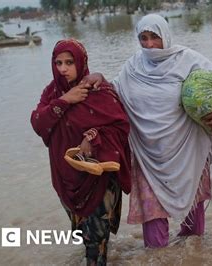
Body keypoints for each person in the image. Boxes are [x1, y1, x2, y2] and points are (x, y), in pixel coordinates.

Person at [86, 14, 212, 248]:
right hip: (148, 156)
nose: (149, 44)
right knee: (155, 236)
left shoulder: (186, 59)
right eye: (143, 38)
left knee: (193, 233)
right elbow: (113, 92)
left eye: (154, 37)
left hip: (187, 151)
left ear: (165, 35)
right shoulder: (133, 66)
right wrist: (99, 79)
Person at [30, 39, 131, 265]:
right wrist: (66, 100)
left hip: (98, 179)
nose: (63, 68)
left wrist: (92, 137)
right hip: (66, 177)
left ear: (81, 62)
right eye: (58, 63)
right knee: (85, 236)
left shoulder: (98, 90)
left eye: (69, 62)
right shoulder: (52, 92)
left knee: (96, 241)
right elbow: (38, 123)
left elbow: (121, 127)